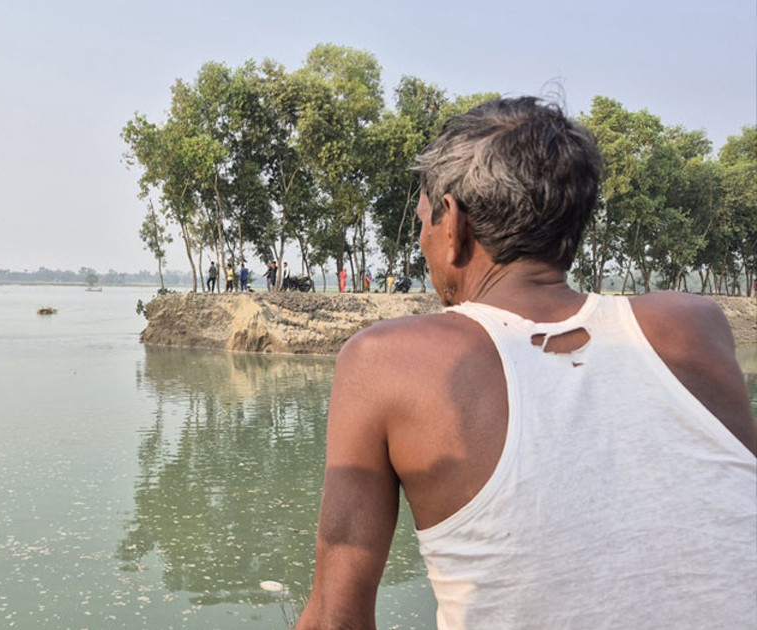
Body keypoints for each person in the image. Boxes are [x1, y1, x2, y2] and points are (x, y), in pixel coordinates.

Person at [296, 97, 756, 630]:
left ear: (454, 224)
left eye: (425, 221)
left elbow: (336, 619)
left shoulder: (385, 360)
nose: (423, 242)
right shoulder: (696, 325)